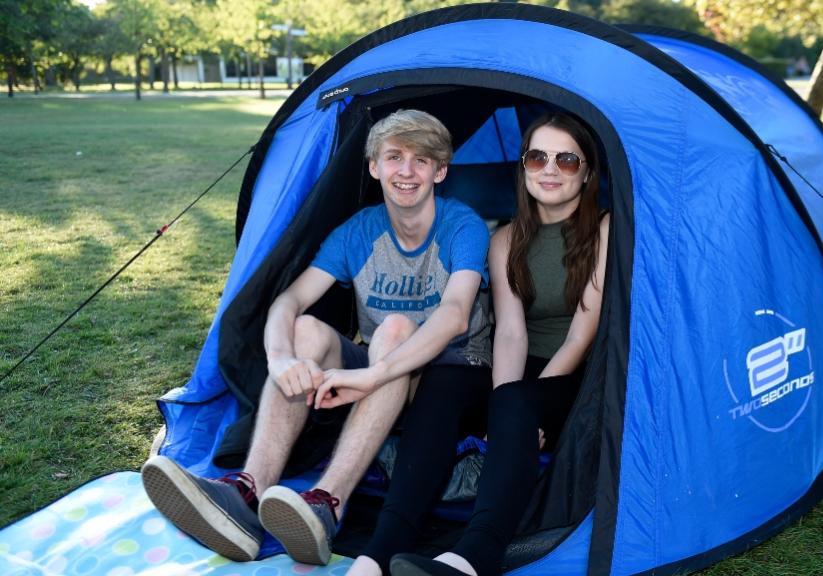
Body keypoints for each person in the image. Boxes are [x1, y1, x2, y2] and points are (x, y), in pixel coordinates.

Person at [141, 109, 492, 566]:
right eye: (394, 157)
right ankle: (248, 491)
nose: (406, 171)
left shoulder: (462, 225)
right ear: (373, 167)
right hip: (382, 370)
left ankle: (328, 503)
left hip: (449, 374)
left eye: (421, 160)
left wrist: (373, 375)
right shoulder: (357, 232)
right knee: (305, 330)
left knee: (396, 327)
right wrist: (281, 359)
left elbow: (455, 315)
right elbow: (288, 302)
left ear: (440, 171)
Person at [348, 112, 609, 576]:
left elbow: (580, 334)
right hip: (519, 368)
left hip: (575, 375)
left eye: (566, 160)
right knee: (446, 379)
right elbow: (510, 330)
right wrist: (499, 405)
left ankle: (473, 558)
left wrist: (524, 409)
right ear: (523, 166)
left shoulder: (604, 229)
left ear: (587, 172)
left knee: (514, 401)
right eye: (537, 157)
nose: (549, 169)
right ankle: (381, 549)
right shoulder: (506, 238)